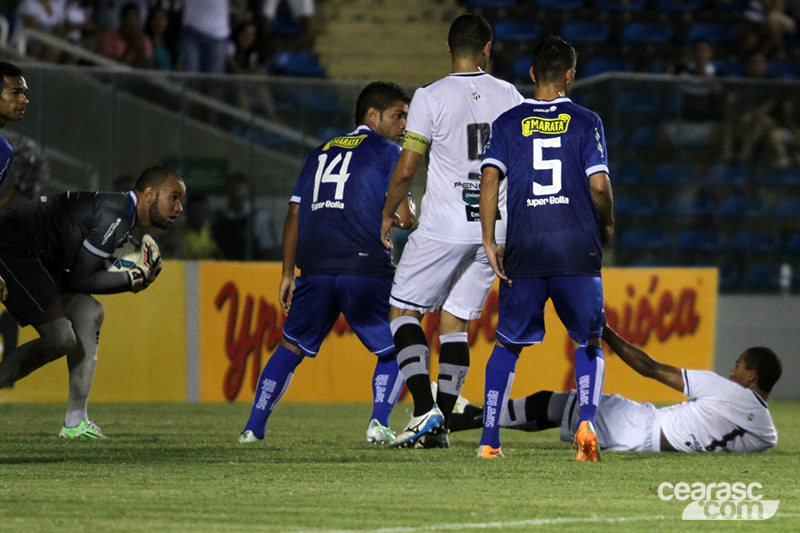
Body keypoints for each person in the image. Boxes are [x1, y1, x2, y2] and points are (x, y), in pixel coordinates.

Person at [239, 81, 414, 445]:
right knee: (399, 344)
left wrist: (288, 272)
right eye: (398, 116)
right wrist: (402, 216)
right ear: (372, 115)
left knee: (290, 347)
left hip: (314, 268)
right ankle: (379, 424)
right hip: (364, 265)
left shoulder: (320, 151)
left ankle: (253, 429)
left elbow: (294, 212)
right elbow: (406, 217)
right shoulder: (388, 152)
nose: (403, 126)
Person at [380, 14, 524, 450]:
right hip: (493, 230)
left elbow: (407, 168)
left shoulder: (430, 96)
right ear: (487, 48)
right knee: (453, 321)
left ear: (447, 47)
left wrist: (387, 212)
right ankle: (438, 429)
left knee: (403, 314)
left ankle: (425, 411)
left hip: (445, 227)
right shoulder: (510, 95)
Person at [478, 35, 614, 461]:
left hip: (526, 247)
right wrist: (606, 221)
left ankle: (488, 441)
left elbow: (488, 181)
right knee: (588, 342)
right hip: (576, 246)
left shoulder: (506, 122)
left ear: (533, 74)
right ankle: (587, 422)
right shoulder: (587, 120)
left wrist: (489, 239)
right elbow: (598, 183)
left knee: (507, 346)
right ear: (570, 76)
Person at [0, 166, 185, 437]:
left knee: (90, 312)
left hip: (36, 256)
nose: (179, 208)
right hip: (12, 249)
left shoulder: (120, 214)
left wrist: (133, 278)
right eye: (174, 197)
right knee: (60, 338)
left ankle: (76, 422)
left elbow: (80, 274)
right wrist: (132, 279)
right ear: (149, 194)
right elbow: (80, 280)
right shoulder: (117, 217)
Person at [449, 320, 781, 453]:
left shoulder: (727, 391)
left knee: (552, 404)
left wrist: (604, 330)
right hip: (644, 438)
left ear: (751, 375)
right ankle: (472, 415)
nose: (731, 369)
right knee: (557, 408)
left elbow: (648, 368)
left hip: (639, 425)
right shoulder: (766, 433)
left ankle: (465, 419)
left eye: (738, 365)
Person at [211, 173, 280, 261]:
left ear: (249, 190)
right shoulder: (217, 217)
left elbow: (268, 250)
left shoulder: (258, 218)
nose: (237, 189)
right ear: (227, 189)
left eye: (241, 186)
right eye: (233, 186)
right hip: (220, 270)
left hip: (251, 270)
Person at [0, 62, 30, 211]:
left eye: (24, 93)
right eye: (15, 93)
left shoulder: (5, 151)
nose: (24, 100)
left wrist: (11, 194)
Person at [99, 2, 154, 68]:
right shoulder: (109, 37)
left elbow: (148, 68)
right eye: (128, 16)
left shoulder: (145, 39)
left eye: (134, 17)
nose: (131, 21)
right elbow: (112, 67)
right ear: (121, 18)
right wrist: (131, 47)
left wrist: (138, 46)